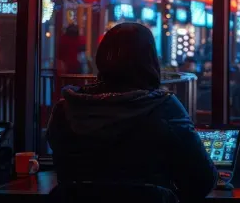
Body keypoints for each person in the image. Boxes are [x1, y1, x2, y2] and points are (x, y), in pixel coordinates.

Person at [47, 23, 216, 202]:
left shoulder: (66, 109)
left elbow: (63, 172)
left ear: (101, 57)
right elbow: (203, 180)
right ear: (150, 60)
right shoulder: (164, 107)